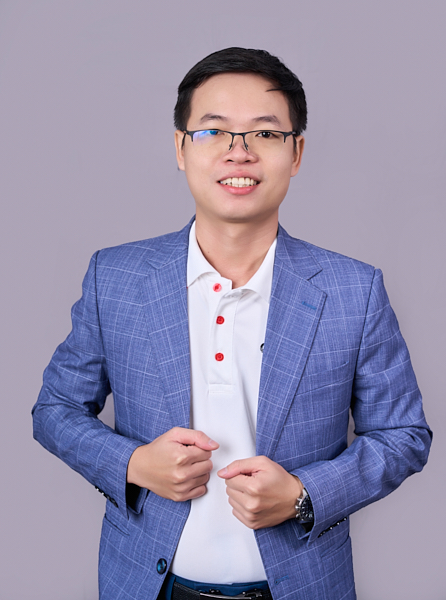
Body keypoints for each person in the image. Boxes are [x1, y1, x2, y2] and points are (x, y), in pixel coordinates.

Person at [32, 48, 432, 600]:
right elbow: (54, 410)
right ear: (180, 147)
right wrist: (134, 463)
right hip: (147, 586)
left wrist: (302, 494)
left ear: (296, 152)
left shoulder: (353, 291)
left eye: (265, 134)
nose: (238, 152)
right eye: (213, 131)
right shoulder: (116, 278)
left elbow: (403, 435)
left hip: (302, 588)